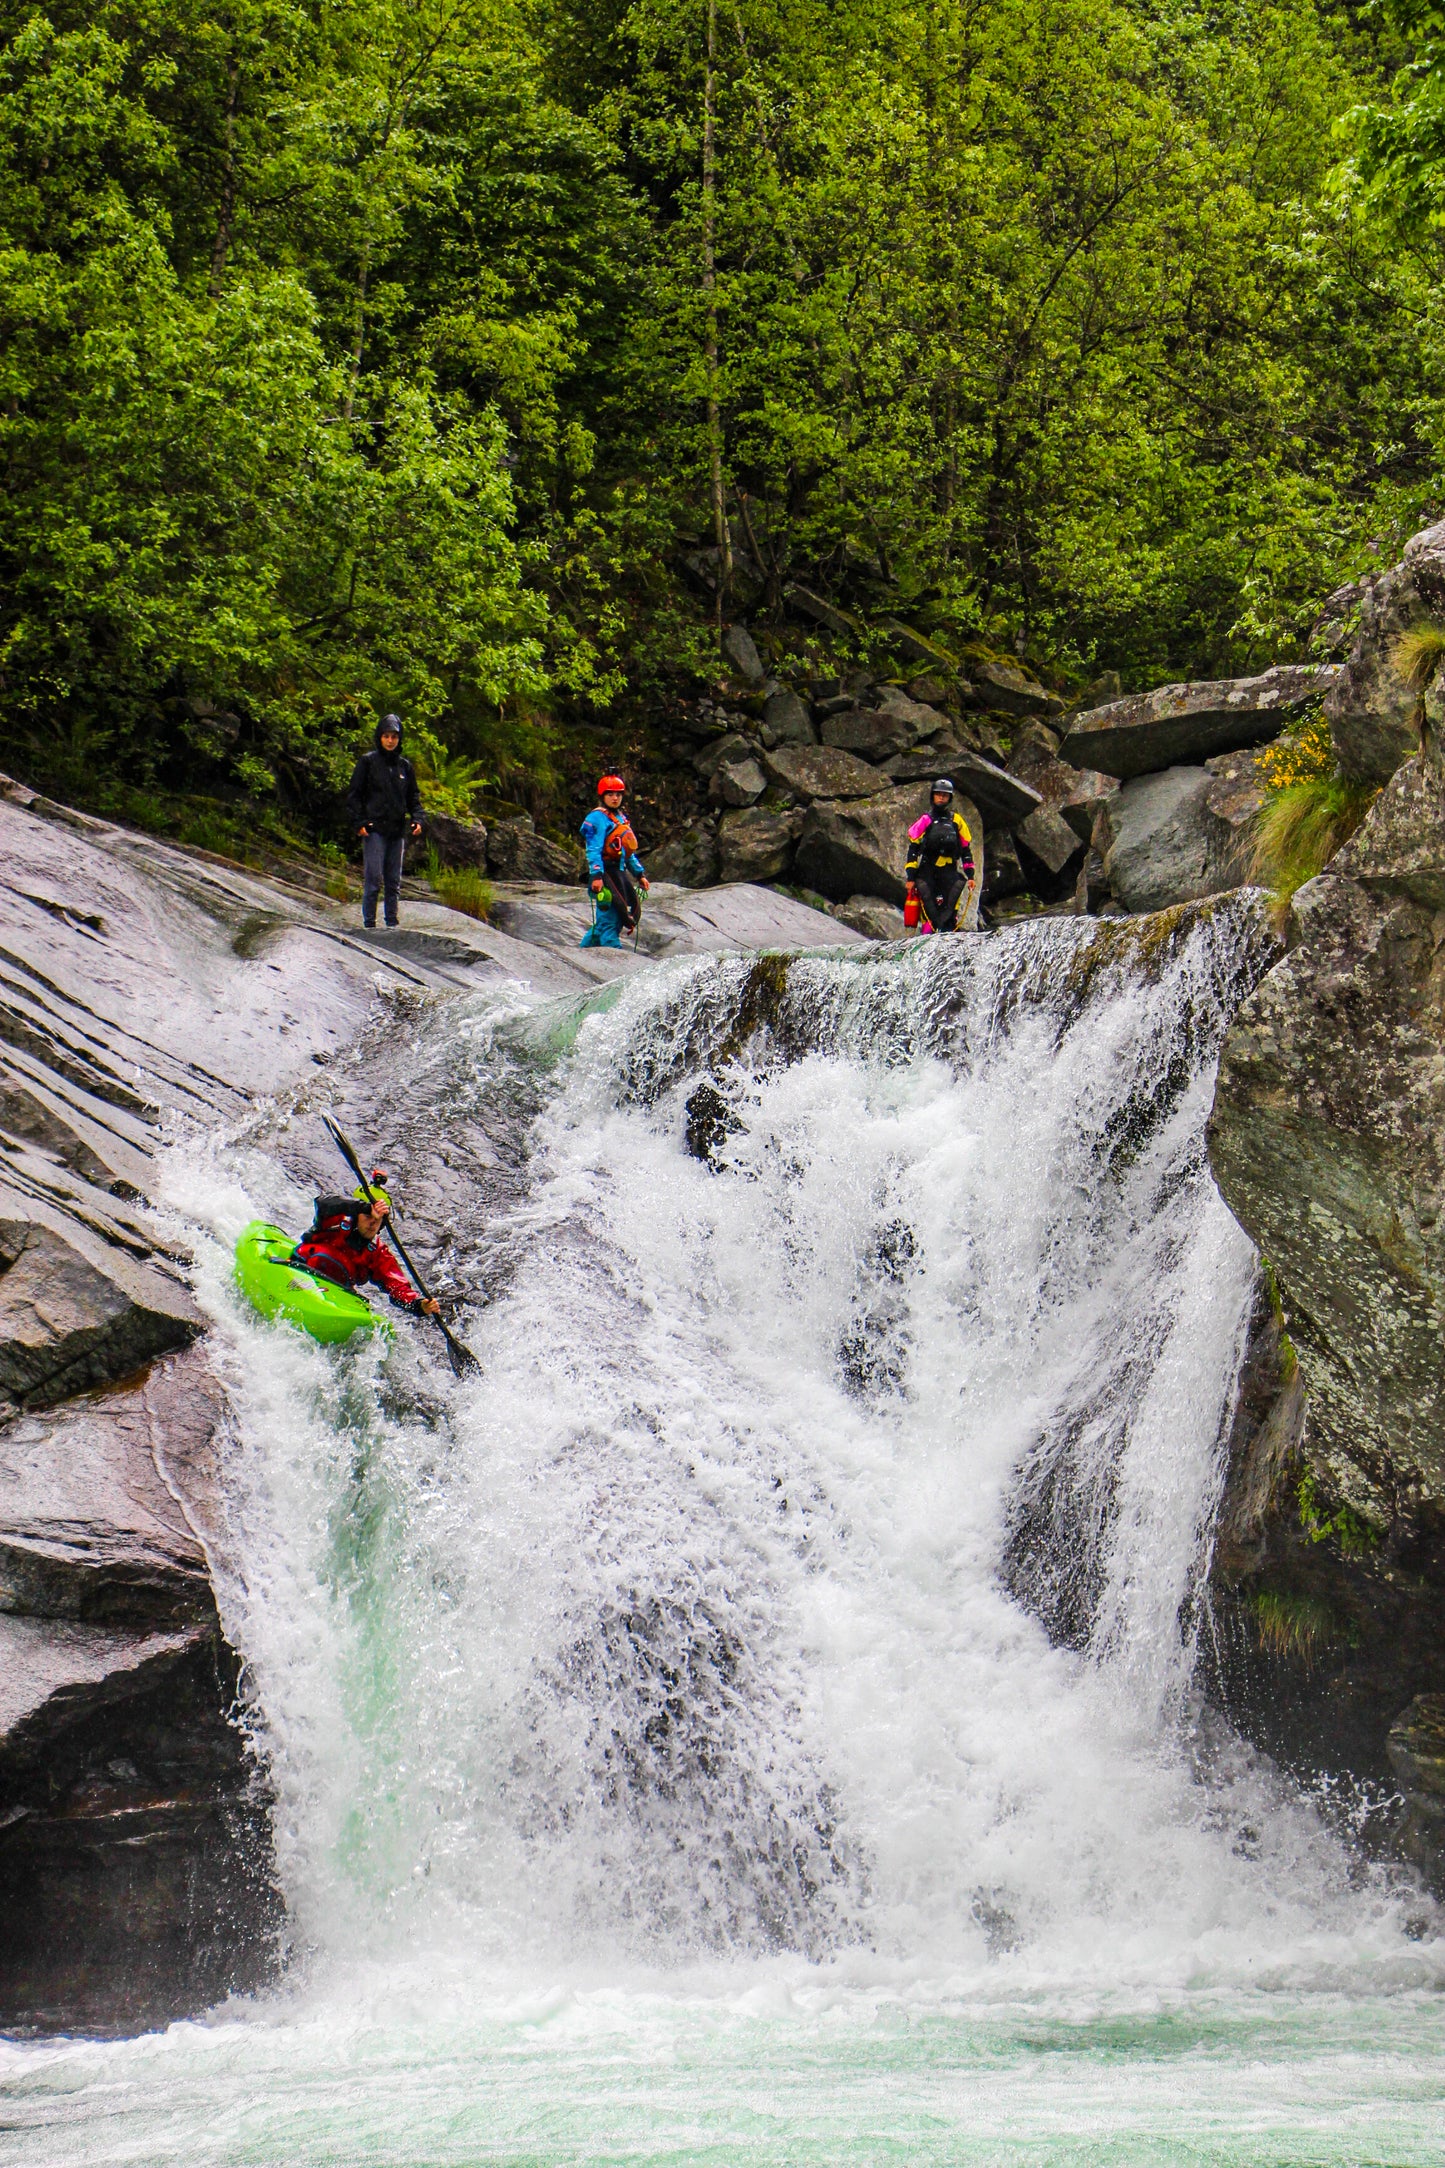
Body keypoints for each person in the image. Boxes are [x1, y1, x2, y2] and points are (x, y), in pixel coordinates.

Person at [293, 1178, 440, 1315]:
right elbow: (322, 1202)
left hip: (335, 1290)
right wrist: (363, 1207)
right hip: (298, 1269)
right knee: (322, 1253)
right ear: (357, 1215)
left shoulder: (378, 1253)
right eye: (368, 1216)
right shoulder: (335, 1220)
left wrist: (420, 1305)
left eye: (378, 1220)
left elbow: (397, 1287)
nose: (372, 1223)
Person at [346, 715, 423, 930]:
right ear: (379, 737)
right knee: (373, 879)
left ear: (400, 739)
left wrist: (417, 819)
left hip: (396, 831)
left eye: (394, 737)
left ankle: (392, 924)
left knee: (393, 882)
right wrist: (359, 822)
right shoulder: (368, 762)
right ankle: (369, 924)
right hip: (374, 830)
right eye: (386, 736)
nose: (390, 741)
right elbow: (354, 795)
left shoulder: (405, 767)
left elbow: (413, 798)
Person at [579, 773, 648, 949]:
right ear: (603, 796)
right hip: (605, 876)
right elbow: (593, 849)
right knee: (609, 922)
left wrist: (639, 874)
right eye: (610, 794)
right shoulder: (596, 819)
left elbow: (627, 852)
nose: (615, 798)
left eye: (618, 794)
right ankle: (616, 961)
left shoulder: (621, 819)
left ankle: (583, 952)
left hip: (619, 874)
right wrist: (596, 876)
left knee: (606, 923)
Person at [906, 780, 977, 933]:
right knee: (929, 910)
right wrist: (910, 878)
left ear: (949, 798)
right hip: (927, 872)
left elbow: (965, 849)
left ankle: (948, 943)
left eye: (945, 795)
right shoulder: (925, 820)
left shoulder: (957, 820)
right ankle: (926, 942)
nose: (941, 798)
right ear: (932, 796)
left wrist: (970, 875)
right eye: (938, 794)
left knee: (950, 910)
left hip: (949, 872)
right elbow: (913, 849)